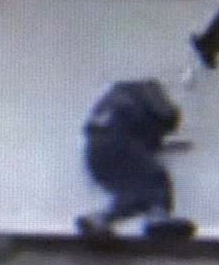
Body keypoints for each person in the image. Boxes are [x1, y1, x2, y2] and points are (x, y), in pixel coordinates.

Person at [76, 79, 195, 240]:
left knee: (136, 192)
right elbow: (165, 115)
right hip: (119, 146)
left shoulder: (114, 99)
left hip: (94, 153)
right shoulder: (149, 92)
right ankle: (156, 216)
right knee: (156, 180)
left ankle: (101, 219)